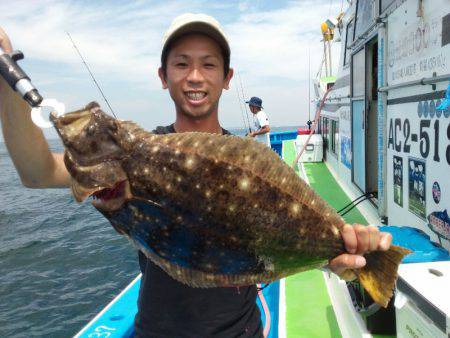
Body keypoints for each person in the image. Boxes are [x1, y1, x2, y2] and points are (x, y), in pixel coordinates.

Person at [0, 13, 392, 338]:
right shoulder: (138, 154)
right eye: (182, 63)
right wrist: (6, 76)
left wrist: (341, 260)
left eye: (208, 64)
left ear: (226, 77)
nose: (195, 76)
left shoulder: (250, 162)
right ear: (163, 75)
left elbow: (285, 239)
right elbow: (36, 173)